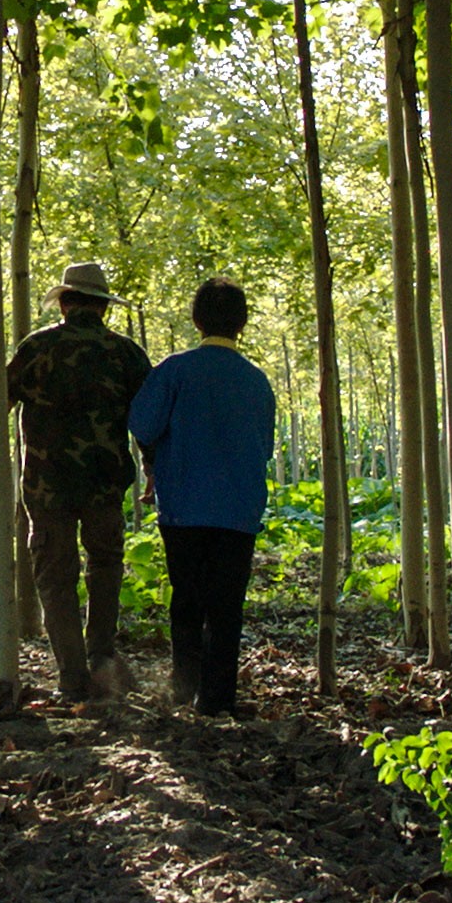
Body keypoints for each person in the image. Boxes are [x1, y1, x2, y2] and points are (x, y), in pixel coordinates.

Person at [0, 260, 152, 706]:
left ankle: (72, 675)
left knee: (54, 576)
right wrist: (154, 468)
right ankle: (101, 658)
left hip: (48, 488)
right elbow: (148, 419)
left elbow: (0, 395)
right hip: (105, 485)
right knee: (106, 566)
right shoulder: (126, 354)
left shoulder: (38, 348)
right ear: (103, 306)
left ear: (64, 302)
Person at [130, 276, 277, 719]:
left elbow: (142, 424)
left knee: (188, 597)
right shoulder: (257, 381)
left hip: (184, 508)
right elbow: (265, 447)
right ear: (243, 323)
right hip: (238, 510)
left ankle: (183, 689)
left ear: (196, 320)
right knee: (227, 604)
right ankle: (217, 699)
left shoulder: (174, 370)